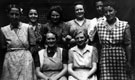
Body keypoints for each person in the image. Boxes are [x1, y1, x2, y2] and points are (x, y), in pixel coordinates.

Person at [96, 0, 132, 80]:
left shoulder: (124, 25)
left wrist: (128, 61)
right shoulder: (99, 25)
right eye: (105, 12)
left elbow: (128, 44)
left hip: (120, 58)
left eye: (110, 11)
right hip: (105, 58)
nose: (108, 14)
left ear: (115, 11)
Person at [0, 4, 36, 80]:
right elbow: (3, 47)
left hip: (26, 59)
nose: (14, 17)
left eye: (17, 14)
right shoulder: (3, 30)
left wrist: (27, 57)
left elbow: (33, 45)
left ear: (20, 15)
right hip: (10, 59)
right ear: (8, 15)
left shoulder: (28, 27)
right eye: (12, 14)